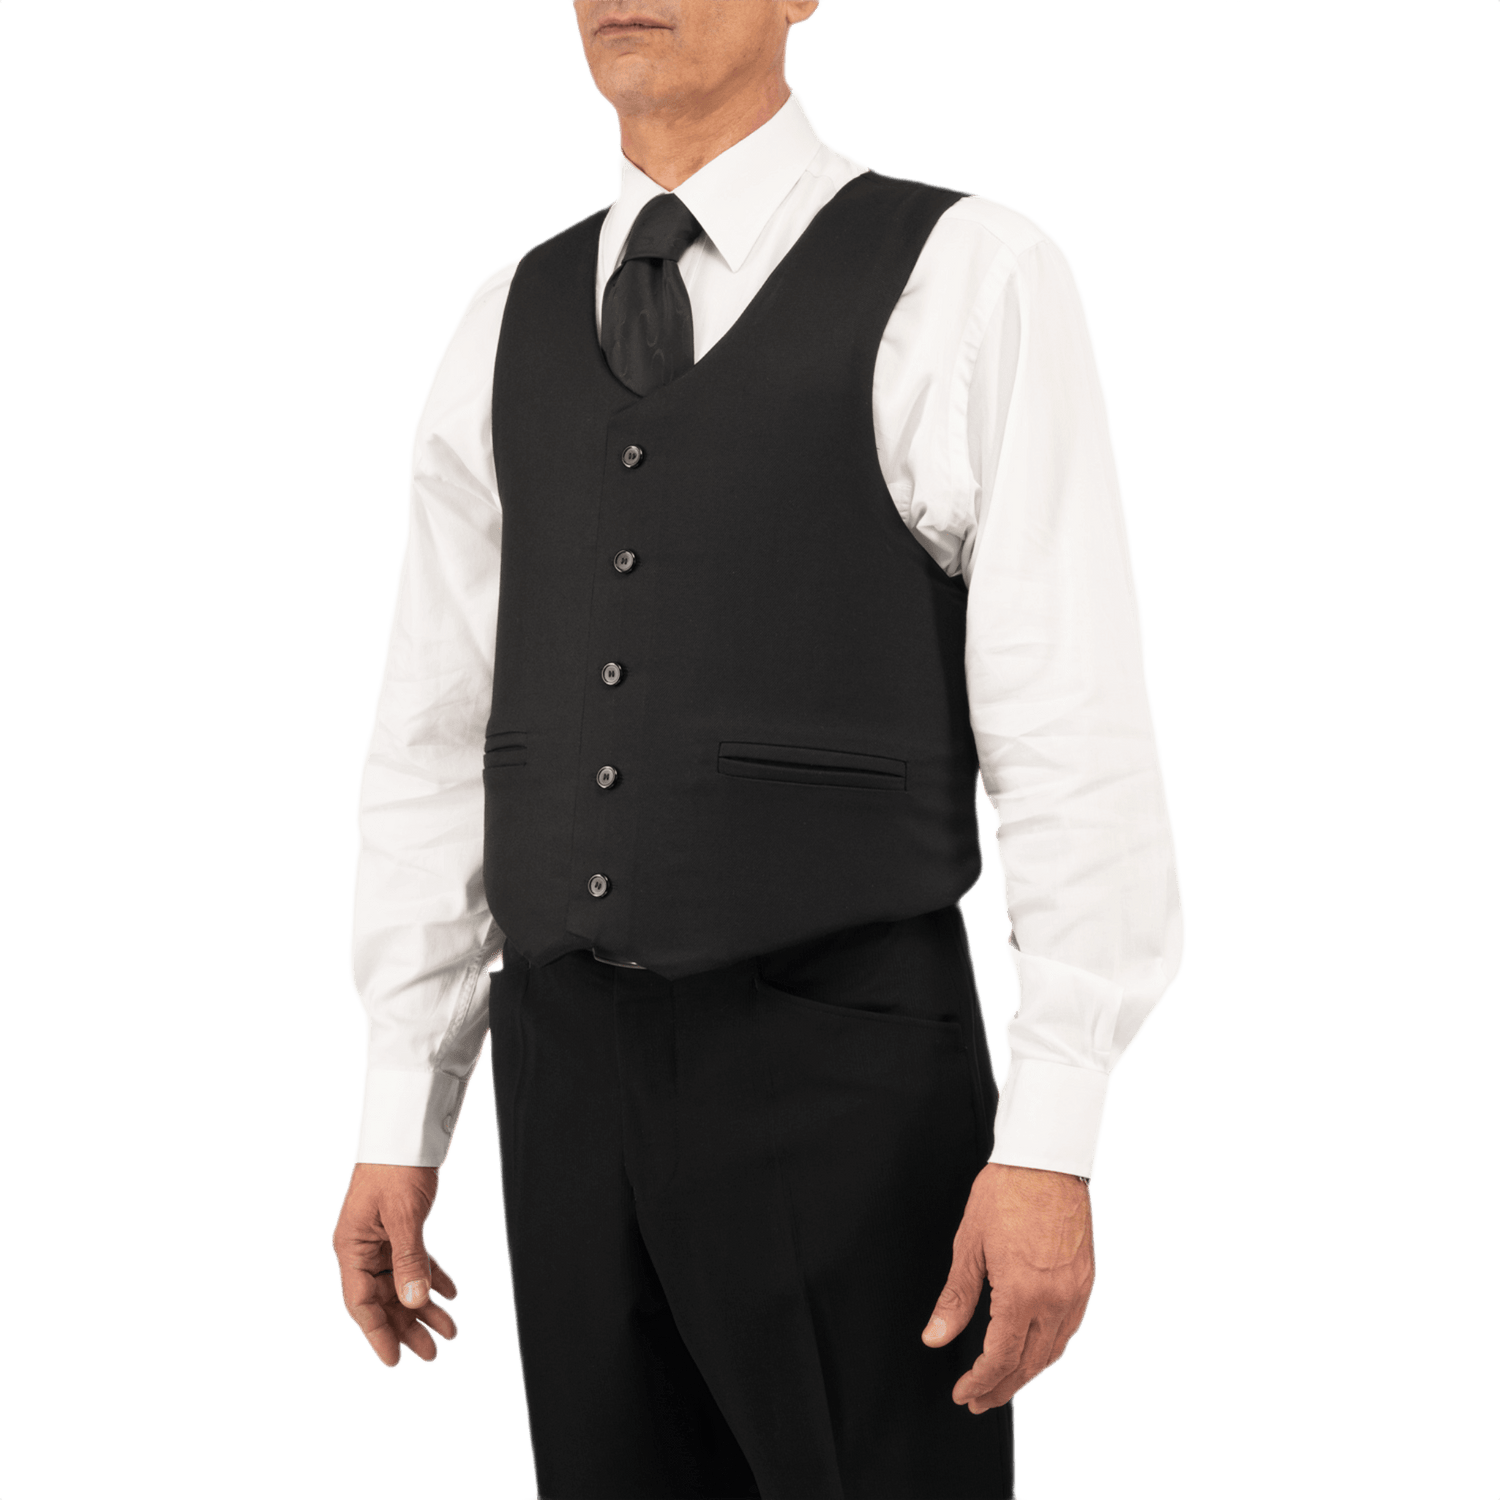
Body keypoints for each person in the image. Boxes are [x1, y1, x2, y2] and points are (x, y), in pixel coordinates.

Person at [330, 3, 1185, 1496]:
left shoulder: (971, 272)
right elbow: (436, 731)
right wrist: (401, 1108)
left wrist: (1054, 1133)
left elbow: (1074, 724)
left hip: (842, 1063)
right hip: (563, 1072)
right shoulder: (501, 317)